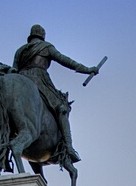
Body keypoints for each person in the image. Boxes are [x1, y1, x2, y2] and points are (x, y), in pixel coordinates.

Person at [12, 25, 99, 164]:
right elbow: (66, 61)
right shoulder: (46, 47)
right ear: (42, 35)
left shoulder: (20, 50)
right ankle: (69, 148)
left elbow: (14, 69)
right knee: (62, 108)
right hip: (39, 79)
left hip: (20, 79)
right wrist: (87, 69)